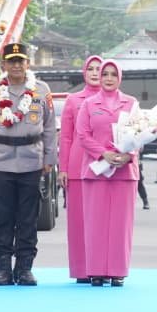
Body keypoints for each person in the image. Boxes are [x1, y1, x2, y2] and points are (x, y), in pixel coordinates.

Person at [0, 42, 57, 286]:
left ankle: (24, 268)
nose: (17, 65)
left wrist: (49, 158)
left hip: (32, 160)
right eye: (12, 61)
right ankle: (2, 268)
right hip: (1, 162)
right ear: (3, 65)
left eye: (21, 61)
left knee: (28, 218)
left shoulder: (41, 91)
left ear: (28, 64)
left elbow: (50, 128)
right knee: (2, 217)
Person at [76, 60, 139, 286]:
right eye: (105, 74)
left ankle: (118, 271)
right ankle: (96, 271)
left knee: (121, 224)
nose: (109, 78)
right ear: (99, 77)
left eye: (113, 74)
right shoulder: (89, 104)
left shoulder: (131, 103)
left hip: (124, 172)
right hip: (97, 171)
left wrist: (128, 155)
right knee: (96, 222)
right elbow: (83, 135)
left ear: (120, 77)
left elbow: (141, 133)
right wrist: (104, 154)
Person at [58, 55, 103, 283]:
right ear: (84, 72)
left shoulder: (114, 100)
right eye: (91, 69)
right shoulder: (73, 100)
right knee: (78, 222)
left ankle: (103, 266)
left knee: (102, 221)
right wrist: (63, 168)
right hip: (77, 167)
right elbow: (65, 137)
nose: (95, 73)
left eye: (99, 69)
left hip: (105, 168)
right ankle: (81, 269)